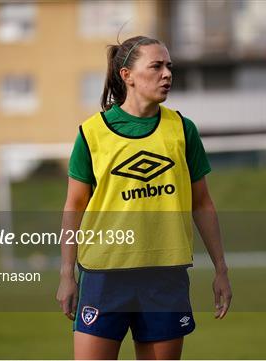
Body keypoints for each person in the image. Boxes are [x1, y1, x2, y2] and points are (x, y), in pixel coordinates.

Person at [57, 35, 232, 360]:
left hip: (165, 275)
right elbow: (74, 207)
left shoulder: (182, 130)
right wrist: (67, 274)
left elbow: (203, 203)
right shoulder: (91, 133)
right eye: (156, 66)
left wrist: (221, 268)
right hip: (104, 274)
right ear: (128, 76)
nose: (167, 74)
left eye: (169, 66)